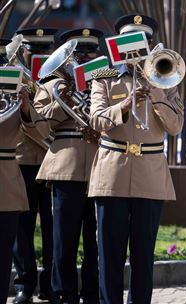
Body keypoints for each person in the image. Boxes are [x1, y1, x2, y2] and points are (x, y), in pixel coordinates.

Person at [88, 14, 184, 304]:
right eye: (130, 43)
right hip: (112, 174)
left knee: (143, 255)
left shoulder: (167, 79)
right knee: (110, 254)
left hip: (150, 175)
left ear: (151, 46)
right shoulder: (104, 79)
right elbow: (96, 120)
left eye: (143, 42)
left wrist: (154, 92)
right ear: (119, 46)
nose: (137, 50)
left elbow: (175, 126)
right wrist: (126, 104)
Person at [33, 28, 104, 304]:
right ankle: (64, 294)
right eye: (78, 53)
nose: (85, 56)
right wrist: (67, 98)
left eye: (90, 51)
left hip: (101, 167)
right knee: (64, 239)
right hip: (66, 166)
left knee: (95, 240)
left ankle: (93, 293)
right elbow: (40, 122)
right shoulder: (51, 84)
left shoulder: (104, 82)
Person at [11, 28, 56, 304]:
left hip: (53, 161)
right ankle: (24, 284)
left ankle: (51, 284)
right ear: (22, 51)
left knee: (54, 229)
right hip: (24, 160)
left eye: (43, 49)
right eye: (32, 49)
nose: (37, 54)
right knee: (22, 228)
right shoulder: (12, 77)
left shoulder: (58, 78)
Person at [0, 39, 44, 304]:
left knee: (3, 254)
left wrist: (26, 107)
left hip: (6, 180)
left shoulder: (15, 92)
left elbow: (40, 132)